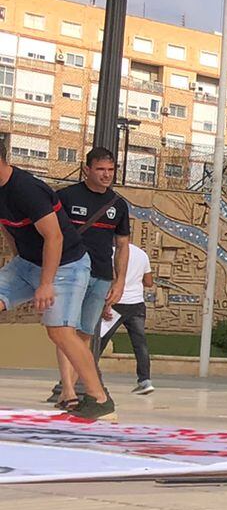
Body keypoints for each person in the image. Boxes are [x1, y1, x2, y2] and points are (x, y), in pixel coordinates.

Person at [0, 136, 114, 419]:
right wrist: (19, 262)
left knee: (61, 332)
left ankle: (99, 400)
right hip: (27, 263)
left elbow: (55, 237)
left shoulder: (27, 189)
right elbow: (8, 228)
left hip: (66, 266)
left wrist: (46, 283)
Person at [54, 148, 131, 409]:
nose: (106, 174)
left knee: (85, 334)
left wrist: (119, 281)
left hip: (100, 274)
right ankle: (67, 390)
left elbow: (122, 246)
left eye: (110, 170)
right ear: (87, 169)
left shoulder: (118, 205)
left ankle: (70, 390)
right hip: (69, 272)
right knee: (65, 330)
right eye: (100, 169)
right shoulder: (65, 197)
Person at [96, 238, 155, 395]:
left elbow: (110, 281)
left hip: (116, 303)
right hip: (136, 304)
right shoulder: (142, 255)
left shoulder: (112, 254)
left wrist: (105, 305)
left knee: (99, 340)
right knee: (140, 344)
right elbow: (149, 282)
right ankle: (145, 380)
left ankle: (88, 376)